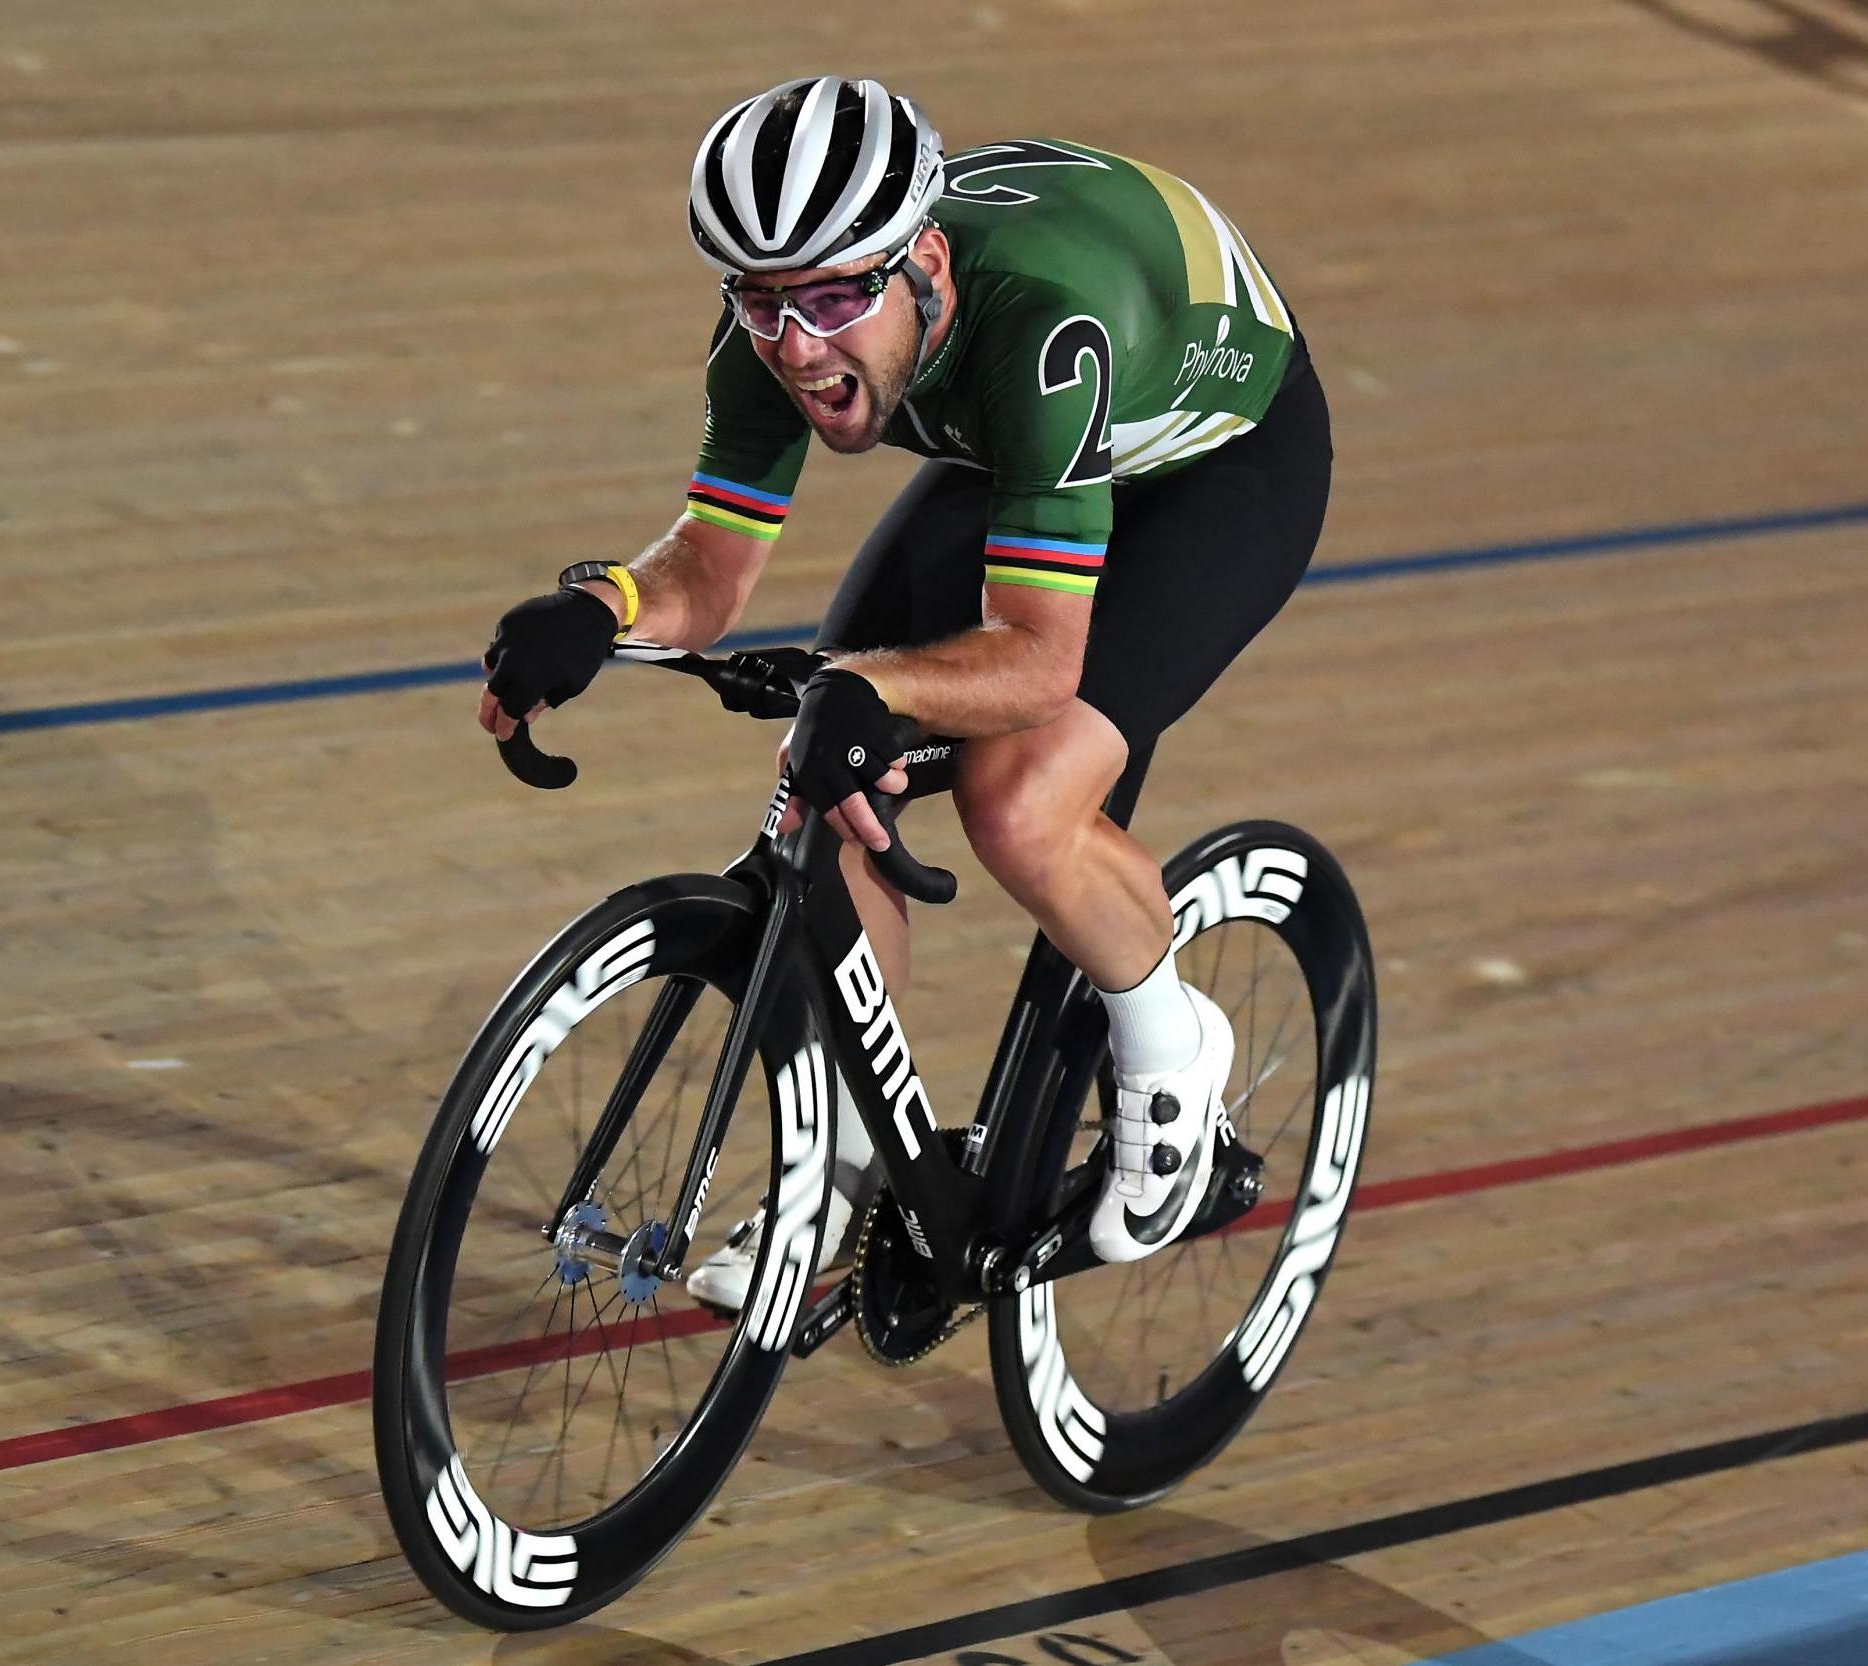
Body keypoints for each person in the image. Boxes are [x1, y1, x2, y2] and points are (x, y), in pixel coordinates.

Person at [478, 76, 1331, 1301]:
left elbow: (1041, 662)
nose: (798, 348)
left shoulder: (1038, 324)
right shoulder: (777, 343)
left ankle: (1170, 1051)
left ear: (923, 261)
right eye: (763, 303)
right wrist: (599, 605)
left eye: (832, 298)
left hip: (1214, 462)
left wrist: (869, 684)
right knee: (828, 780)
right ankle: (840, 1154)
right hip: (1028, 448)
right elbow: (711, 567)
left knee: (1017, 799)